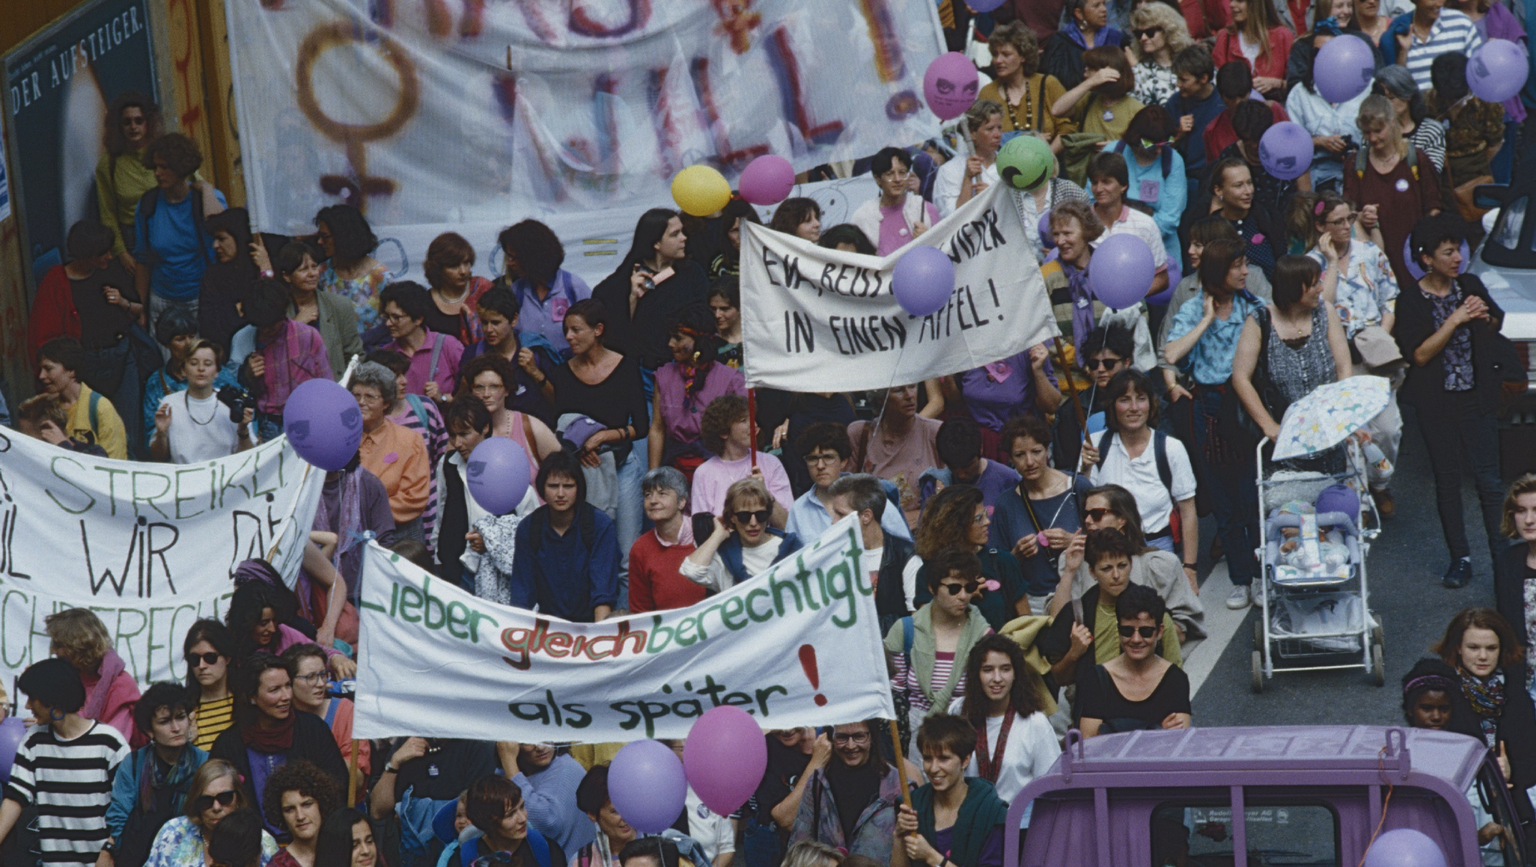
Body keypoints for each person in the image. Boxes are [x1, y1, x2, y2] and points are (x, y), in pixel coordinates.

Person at [1396, 215, 1505, 588]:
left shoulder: (1470, 284)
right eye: (1448, 252)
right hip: (1437, 405)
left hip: (1477, 397)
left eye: (1458, 250)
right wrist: (1455, 320)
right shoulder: (1409, 300)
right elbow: (1420, 355)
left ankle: (1503, 555)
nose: (1457, 258)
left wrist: (1484, 315)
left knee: (1490, 482)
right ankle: (1460, 558)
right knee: (1448, 482)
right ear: (1427, 258)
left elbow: (1494, 324)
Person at [1164, 237, 1265, 607]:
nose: (1245, 272)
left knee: (1250, 496)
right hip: (1206, 408)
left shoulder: (1253, 308)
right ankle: (1241, 578)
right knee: (1223, 502)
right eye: (1237, 266)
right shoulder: (1194, 309)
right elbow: (1172, 352)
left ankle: (1260, 576)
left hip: (1244, 404)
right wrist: (1207, 318)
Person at [1307, 191, 1402, 506]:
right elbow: (1324, 307)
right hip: (1339, 356)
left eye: (1349, 219)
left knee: (1388, 429)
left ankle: (1379, 483)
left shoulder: (1370, 253)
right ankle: (1357, 501)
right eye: (1337, 222)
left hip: (1375, 351)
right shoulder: (1311, 263)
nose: (1346, 226)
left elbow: (1389, 298)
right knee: (1351, 433)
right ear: (1321, 226)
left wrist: (1380, 336)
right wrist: (1332, 261)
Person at [546, 300, 650, 560]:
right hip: (586, 471)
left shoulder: (625, 367)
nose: (569, 337)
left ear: (598, 330)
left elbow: (641, 426)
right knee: (590, 548)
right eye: (566, 330)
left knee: (627, 551)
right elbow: (561, 425)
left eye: (576, 330)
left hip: (623, 465)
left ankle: (624, 603)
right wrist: (580, 450)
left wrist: (603, 436)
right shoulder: (562, 374)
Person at [0, 658, 130, 865]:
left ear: (52, 699)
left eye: (32, 698)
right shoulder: (34, 741)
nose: (27, 705)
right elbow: (16, 798)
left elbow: (126, 806)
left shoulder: (109, 742)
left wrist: (109, 851)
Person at [1231, 255, 1352, 468]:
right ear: (1293, 288)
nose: (1321, 289)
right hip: (1283, 437)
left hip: (1328, 429)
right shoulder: (1260, 321)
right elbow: (1241, 377)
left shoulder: (1326, 313)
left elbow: (1343, 367)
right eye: (1314, 284)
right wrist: (1268, 426)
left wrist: (1342, 416)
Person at [210, 655, 348, 835]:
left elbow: (338, 785)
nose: (286, 696)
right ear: (252, 697)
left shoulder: (313, 730)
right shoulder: (229, 744)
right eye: (275, 690)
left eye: (288, 686)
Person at [1053, 485, 1205, 638]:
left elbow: (1185, 626)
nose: (1087, 520)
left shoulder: (1160, 564)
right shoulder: (1074, 563)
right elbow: (1056, 624)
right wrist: (1069, 571)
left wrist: (1138, 643)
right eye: (1085, 514)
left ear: (1122, 519)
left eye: (1097, 514)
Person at [1080, 370, 1200, 564]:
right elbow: (1085, 505)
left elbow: (1188, 512)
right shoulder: (1095, 445)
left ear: (1151, 404)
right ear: (1112, 406)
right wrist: (1085, 469)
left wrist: (1190, 568)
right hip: (1108, 552)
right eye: (1125, 400)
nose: (1134, 408)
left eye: (1141, 399)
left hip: (1159, 548)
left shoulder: (1170, 447)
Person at [886, 548, 995, 752]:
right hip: (915, 739)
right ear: (932, 587)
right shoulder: (906, 630)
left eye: (969, 587)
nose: (963, 596)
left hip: (966, 736)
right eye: (954, 588)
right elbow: (894, 694)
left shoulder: (983, 635)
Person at [26, 220, 145, 399]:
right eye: (102, 253)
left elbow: (139, 310)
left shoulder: (112, 271)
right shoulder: (56, 281)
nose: (110, 257)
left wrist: (122, 302)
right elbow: (44, 337)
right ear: (86, 254)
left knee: (126, 423)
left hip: (121, 356)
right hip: (85, 364)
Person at [988, 415, 1094, 614]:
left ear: (1047, 450)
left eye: (1036, 452)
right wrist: (1015, 556)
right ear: (1010, 459)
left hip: (1079, 591)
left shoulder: (1077, 487)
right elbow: (994, 562)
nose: (1030, 462)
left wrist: (1074, 539)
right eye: (1020, 455)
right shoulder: (1006, 503)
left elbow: (1107, 541)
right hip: (1032, 602)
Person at [432, 398, 538, 593]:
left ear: (485, 428)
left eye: (465, 434)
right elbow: (442, 509)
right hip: (454, 567)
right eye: (453, 436)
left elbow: (530, 523)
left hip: (498, 573)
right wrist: (439, 555)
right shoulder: (448, 464)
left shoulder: (507, 462)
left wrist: (492, 541)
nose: (457, 443)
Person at [1433, 609, 1536, 803]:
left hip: (1510, 803)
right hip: (1457, 800)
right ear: (1458, 648)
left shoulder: (1516, 698)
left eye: (1491, 648)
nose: (1482, 656)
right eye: (1473, 647)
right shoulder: (1442, 696)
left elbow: (1533, 760)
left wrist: (1512, 770)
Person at [593, 209, 710, 376]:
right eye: (675, 234)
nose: (684, 238)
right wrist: (632, 299)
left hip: (686, 369)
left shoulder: (692, 273)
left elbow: (706, 319)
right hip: (643, 371)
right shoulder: (621, 282)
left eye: (682, 232)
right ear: (656, 243)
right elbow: (613, 337)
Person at [103, 682, 207, 867]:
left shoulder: (204, 763)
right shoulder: (134, 763)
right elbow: (119, 816)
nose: (176, 728)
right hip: (139, 854)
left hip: (189, 854)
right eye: (165, 721)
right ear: (150, 730)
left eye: (181, 717)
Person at [510, 451, 621, 623]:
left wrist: (600, 639)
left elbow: (603, 592)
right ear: (542, 488)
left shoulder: (599, 524)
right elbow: (522, 596)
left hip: (591, 624)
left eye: (568, 486)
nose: (560, 494)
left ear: (578, 488)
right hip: (548, 628)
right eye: (553, 486)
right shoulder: (529, 528)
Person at [1344, 95, 1442, 289]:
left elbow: (1434, 207)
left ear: (1393, 122)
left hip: (1415, 260)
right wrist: (1362, 217)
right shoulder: (1356, 164)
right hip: (1375, 264)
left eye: (1378, 131)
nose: (1372, 138)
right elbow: (1348, 213)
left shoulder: (1416, 159)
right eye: (1366, 132)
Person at [948, 636, 1059, 806]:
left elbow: (1050, 787)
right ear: (976, 674)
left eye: (1005, 669)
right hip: (967, 822)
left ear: (1016, 674)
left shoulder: (1035, 722)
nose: (997, 678)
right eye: (988, 669)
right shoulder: (959, 712)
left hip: (1018, 825)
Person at [133, 133, 227, 328]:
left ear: (181, 168)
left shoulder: (205, 199)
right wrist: (141, 307)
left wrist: (207, 190)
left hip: (201, 296)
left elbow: (222, 226)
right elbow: (142, 260)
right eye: (156, 166)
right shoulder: (148, 205)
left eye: (165, 167)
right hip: (162, 298)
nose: (158, 173)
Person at [1076, 585, 1193, 735]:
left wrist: (1110, 730)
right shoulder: (1097, 679)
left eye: (1146, 631)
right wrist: (1157, 732)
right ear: (1118, 630)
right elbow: (1089, 743)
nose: (1136, 639)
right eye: (1127, 631)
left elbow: (1178, 741)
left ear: (1160, 632)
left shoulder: (1175, 679)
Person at [893, 717, 1008, 867]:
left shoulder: (990, 811)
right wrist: (898, 835)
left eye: (944, 759)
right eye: (928, 759)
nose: (933, 768)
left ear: (965, 760)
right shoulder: (913, 804)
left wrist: (932, 857)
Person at [787, 719, 906, 862]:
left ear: (872, 737)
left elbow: (910, 850)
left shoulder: (899, 786)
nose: (850, 746)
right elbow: (799, 846)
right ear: (832, 738)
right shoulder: (818, 782)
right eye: (842, 737)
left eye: (859, 736)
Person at [912, 486, 1030, 628]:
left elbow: (1026, 622)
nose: (987, 522)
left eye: (986, 514)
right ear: (956, 526)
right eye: (979, 519)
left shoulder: (1003, 561)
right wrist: (962, 597)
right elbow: (925, 627)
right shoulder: (930, 572)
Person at [649, 306, 746, 475]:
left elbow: (742, 431)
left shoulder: (731, 380)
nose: (670, 344)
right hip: (675, 466)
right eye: (670, 337)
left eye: (678, 338)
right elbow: (657, 429)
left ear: (699, 342)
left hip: (719, 467)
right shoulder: (664, 377)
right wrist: (653, 476)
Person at [785, 424, 911, 543]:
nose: (820, 466)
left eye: (828, 457)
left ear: (843, 461)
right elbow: (790, 559)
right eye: (813, 459)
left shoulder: (871, 497)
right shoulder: (799, 509)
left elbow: (904, 545)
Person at [242, 279, 334, 441]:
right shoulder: (246, 340)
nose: (268, 330)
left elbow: (327, 384)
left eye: (272, 325)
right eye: (262, 326)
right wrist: (249, 374)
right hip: (270, 423)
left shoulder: (307, 336)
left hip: (306, 420)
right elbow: (245, 392)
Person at [141, 760, 277, 867]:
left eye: (225, 798)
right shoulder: (173, 833)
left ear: (238, 798)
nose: (216, 807)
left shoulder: (262, 841)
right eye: (206, 801)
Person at [351, 361, 432, 542]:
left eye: (370, 397)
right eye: (356, 395)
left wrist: (364, 514)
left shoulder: (410, 441)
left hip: (399, 537)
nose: (361, 402)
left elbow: (414, 497)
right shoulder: (340, 439)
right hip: (348, 536)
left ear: (386, 403)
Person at [140, 309, 242, 452]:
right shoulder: (156, 383)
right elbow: (151, 437)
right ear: (167, 344)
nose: (188, 343)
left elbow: (243, 408)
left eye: (191, 336)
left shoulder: (218, 373)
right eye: (180, 339)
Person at [829, 473, 918, 631]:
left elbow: (917, 622)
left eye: (841, 514)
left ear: (866, 516)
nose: (833, 521)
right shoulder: (837, 556)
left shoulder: (905, 556)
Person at [1285, 27, 1370, 190]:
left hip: (1361, 172)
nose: (1322, 58)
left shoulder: (1366, 87)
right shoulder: (1299, 95)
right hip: (1318, 176)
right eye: (1317, 52)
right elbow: (1292, 147)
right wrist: (1319, 141)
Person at [464, 285, 560, 427]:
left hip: (535, 436)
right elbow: (461, 407)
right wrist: (465, 385)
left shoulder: (536, 350)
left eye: (496, 323)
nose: (489, 329)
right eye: (484, 322)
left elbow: (559, 403)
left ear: (514, 319)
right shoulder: (473, 355)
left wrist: (535, 372)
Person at [683, 477, 803, 591]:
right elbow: (691, 571)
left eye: (761, 515)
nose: (753, 523)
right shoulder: (725, 555)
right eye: (744, 516)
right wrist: (718, 534)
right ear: (732, 517)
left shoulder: (791, 548)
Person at [848, 385, 942, 528]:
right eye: (898, 390)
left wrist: (916, 516)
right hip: (872, 532)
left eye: (912, 387)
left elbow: (953, 495)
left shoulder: (935, 432)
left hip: (924, 533)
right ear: (880, 398)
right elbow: (845, 494)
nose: (909, 395)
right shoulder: (859, 433)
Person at [944, 344, 1063, 456]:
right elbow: (956, 403)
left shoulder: (1030, 347)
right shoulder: (964, 347)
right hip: (979, 444)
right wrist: (948, 373)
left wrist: (1038, 371)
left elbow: (1051, 406)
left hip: (1022, 442)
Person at [496, 219, 591, 359]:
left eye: (513, 257)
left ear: (532, 256)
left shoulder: (573, 287)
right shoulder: (516, 291)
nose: (509, 263)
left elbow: (595, 334)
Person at [45, 608, 141, 743]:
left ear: (78, 646)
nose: (53, 651)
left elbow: (114, 742)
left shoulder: (121, 685)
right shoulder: (67, 678)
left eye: (58, 645)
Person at [150, 339, 254, 462]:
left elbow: (248, 459)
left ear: (217, 372)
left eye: (208, 364)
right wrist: (161, 433)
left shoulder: (232, 404)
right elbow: (158, 458)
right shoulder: (170, 403)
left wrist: (243, 429)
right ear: (183, 370)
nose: (201, 368)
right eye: (194, 363)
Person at [282, 645, 370, 789]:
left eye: (323, 675)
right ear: (289, 682)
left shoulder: (345, 711)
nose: (321, 684)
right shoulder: (282, 713)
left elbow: (357, 781)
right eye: (311, 677)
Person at [690, 395, 792, 520]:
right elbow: (702, 532)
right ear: (723, 432)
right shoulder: (704, 473)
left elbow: (787, 525)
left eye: (752, 418)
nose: (753, 424)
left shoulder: (771, 463)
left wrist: (766, 494)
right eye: (743, 420)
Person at [455, 354, 562, 472]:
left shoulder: (530, 427)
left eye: (494, 387)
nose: (486, 394)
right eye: (479, 387)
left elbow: (563, 469)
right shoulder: (463, 431)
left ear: (507, 389)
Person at [1110, 106, 1187, 268]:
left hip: (1160, 250)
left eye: (1165, 144)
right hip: (1113, 246)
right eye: (1152, 146)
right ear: (1136, 139)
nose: (1159, 151)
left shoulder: (1173, 161)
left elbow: (1169, 219)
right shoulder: (1113, 153)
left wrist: (1133, 237)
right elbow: (1091, 199)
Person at [1088, 150, 1171, 299]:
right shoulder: (1081, 221)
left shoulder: (1144, 223)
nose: (1099, 189)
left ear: (1123, 185)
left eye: (1106, 182)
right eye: (1094, 182)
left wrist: (1128, 297)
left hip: (1132, 314)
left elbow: (1162, 278)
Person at [976, 23, 1072, 151]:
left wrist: (1046, 157)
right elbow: (981, 137)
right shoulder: (988, 92)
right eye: (995, 54)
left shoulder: (1047, 83)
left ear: (1023, 56)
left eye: (1006, 54)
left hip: (1049, 164)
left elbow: (1067, 129)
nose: (998, 60)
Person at [274, 240, 362, 379]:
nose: (312, 274)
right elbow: (274, 358)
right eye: (303, 269)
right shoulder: (278, 310)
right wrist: (296, 326)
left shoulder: (339, 306)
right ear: (287, 276)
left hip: (334, 388)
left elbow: (355, 356)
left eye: (314, 267)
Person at [95, 92, 162, 268]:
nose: (133, 127)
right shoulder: (109, 162)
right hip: (131, 238)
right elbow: (107, 212)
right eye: (127, 122)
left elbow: (193, 181)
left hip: (165, 229)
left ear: (148, 123)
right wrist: (122, 253)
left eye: (139, 120)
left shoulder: (162, 154)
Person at [38, 336, 130, 459]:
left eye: (48, 369)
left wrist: (63, 445)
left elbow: (114, 465)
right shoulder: (48, 408)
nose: (41, 376)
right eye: (41, 369)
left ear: (72, 370)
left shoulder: (100, 408)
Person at [446, 774, 567, 867]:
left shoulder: (545, 850)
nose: (523, 818)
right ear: (488, 822)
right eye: (510, 815)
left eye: (522, 807)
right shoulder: (464, 858)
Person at [1426, 53, 1504, 196]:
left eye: (1456, 99)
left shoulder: (1487, 103)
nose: (1452, 104)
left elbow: (1495, 144)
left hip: (1476, 176)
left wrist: (1475, 167)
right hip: (1440, 177)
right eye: (1447, 99)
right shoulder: (1428, 102)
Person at [629, 467, 702, 614]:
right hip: (666, 633)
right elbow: (640, 611)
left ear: (682, 502)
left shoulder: (705, 534)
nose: (653, 501)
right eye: (648, 495)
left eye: (662, 494)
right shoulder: (641, 548)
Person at [1221, 100, 1310, 218]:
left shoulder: (1291, 152)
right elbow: (1220, 200)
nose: (1254, 145)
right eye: (1248, 140)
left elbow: (1305, 197)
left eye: (1259, 138)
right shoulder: (1229, 157)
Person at [378, 282, 464, 400]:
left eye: (396, 318)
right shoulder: (386, 354)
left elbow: (470, 394)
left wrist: (443, 398)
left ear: (418, 319)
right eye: (386, 317)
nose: (388, 323)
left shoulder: (447, 345)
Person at [1049, 47, 1145, 151]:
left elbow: (1149, 146)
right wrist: (1089, 83)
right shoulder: (1089, 99)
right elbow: (1056, 110)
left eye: (1090, 69)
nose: (1085, 74)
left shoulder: (1136, 109)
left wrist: (1115, 146)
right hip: (1088, 165)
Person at [849, 148, 939, 255]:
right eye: (889, 174)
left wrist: (929, 240)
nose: (897, 179)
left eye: (902, 173)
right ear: (878, 179)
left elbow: (944, 248)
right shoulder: (863, 217)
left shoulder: (925, 209)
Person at [314, 205, 389, 333]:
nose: (319, 242)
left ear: (343, 236)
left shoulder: (380, 277)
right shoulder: (321, 273)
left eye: (325, 236)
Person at [1206, 157, 1283, 280]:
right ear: (1218, 190)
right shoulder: (1209, 229)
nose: (1248, 191)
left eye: (1249, 183)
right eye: (1238, 185)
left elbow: (1282, 264)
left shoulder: (1268, 219)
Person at [1382, 0, 1481, 91]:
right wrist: (1403, 51)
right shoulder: (1400, 31)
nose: (1440, 4)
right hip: (1419, 108)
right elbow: (1397, 88)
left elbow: (1479, 74)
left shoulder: (1462, 24)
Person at [198, 208, 259, 355]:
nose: (215, 245)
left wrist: (266, 269)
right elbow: (210, 324)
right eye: (215, 239)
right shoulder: (213, 276)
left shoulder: (258, 270)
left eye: (222, 239)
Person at [264, 762, 344, 867]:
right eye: (289, 810)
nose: (300, 816)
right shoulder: (278, 864)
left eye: (307, 804)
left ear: (322, 804)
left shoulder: (344, 852)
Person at [934, 101, 1004, 219]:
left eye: (999, 128)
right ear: (972, 133)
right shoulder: (950, 169)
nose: (997, 134)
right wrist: (967, 179)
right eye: (990, 129)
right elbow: (951, 221)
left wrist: (992, 199)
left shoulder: (1008, 166)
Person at [1372, 66, 1447, 174]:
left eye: (1391, 98)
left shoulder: (1430, 130)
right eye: (1383, 99)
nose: (1386, 104)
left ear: (1407, 95)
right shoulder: (1374, 132)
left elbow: (1432, 175)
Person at [1495, 476, 1536, 669]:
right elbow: (1507, 630)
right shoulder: (1507, 562)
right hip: (1526, 676)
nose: (1528, 520)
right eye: (1521, 511)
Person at [422, 232, 492, 347]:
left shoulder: (484, 289)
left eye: (466, 263)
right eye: (454, 266)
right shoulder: (425, 303)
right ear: (438, 268)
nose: (463, 271)